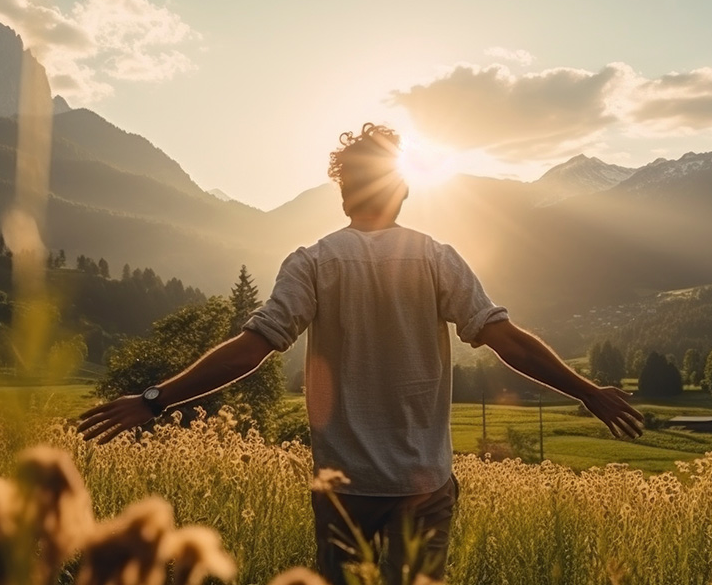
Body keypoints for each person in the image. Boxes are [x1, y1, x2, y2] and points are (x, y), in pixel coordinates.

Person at [78, 122, 644, 584]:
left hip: (342, 491)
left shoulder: (313, 263)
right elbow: (506, 340)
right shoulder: (436, 259)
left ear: (345, 192)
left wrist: (155, 399)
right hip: (423, 487)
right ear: (401, 189)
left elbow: (250, 351)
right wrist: (588, 392)